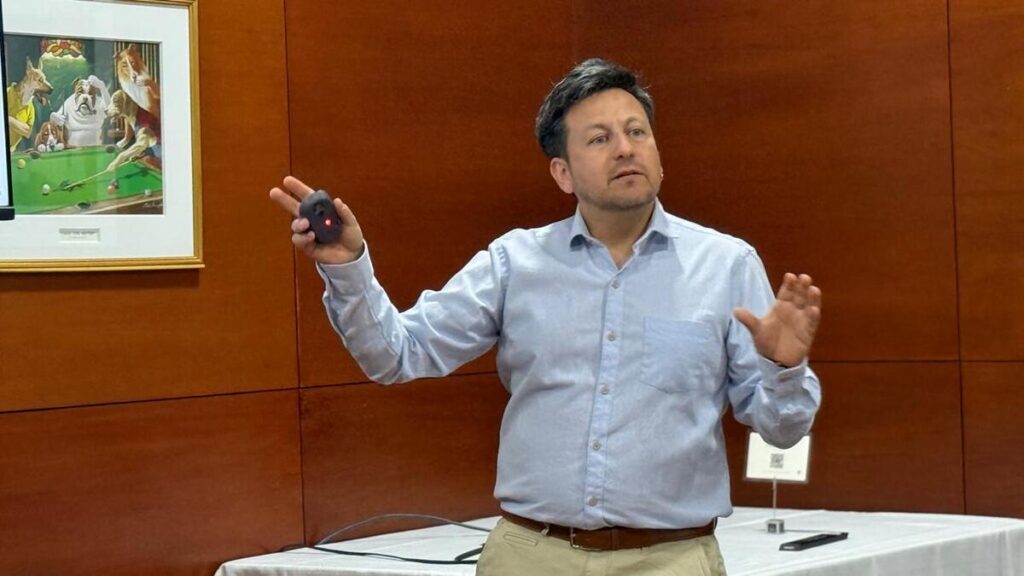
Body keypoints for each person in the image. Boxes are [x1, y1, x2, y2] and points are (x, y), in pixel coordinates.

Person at [270, 58, 822, 576]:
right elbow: (397, 355)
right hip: (531, 555)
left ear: (658, 154)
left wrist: (785, 368)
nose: (625, 149)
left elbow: (782, 429)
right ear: (563, 172)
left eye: (637, 132)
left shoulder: (725, 265)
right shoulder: (515, 263)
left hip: (672, 558)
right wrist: (347, 269)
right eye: (599, 139)